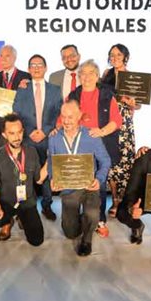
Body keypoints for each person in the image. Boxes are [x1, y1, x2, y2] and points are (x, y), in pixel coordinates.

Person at [48, 100, 111, 256]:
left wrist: (99, 179)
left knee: (92, 213)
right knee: (70, 233)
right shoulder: (54, 138)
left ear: (79, 116)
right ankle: (83, 221)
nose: (66, 121)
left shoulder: (91, 136)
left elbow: (105, 161)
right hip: (68, 189)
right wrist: (53, 178)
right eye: (63, 116)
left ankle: (87, 239)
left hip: (89, 186)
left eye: (70, 117)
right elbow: (51, 162)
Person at [67, 60, 121, 237]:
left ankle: (99, 219)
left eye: (91, 73)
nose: (87, 76)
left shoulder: (107, 95)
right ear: (79, 76)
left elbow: (116, 121)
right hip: (78, 146)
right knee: (78, 184)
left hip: (101, 145)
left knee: (99, 184)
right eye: (83, 73)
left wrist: (101, 131)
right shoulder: (73, 96)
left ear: (97, 76)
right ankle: (80, 216)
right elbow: (65, 118)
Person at [13, 54, 63, 221]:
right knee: (25, 173)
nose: (36, 68)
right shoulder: (22, 89)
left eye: (40, 65)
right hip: (27, 138)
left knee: (47, 172)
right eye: (33, 65)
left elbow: (59, 114)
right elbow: (16, 112)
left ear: (46, 68)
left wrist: (45, 131)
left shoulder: (55, 90)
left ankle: (47, 205)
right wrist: (28, 131)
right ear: (28, 69)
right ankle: (27, 207)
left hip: (48, 138)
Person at [0, 114, 45, 245]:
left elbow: (39, 180)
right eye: (12, 133)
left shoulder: (31, 151)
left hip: (27, 202)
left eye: (19, 132)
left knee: (37, 240)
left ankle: (22, 217)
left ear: (23, 131)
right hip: (6, 203)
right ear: (4, 135)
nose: (17, 137)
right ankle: (8, 222)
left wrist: (50, 161)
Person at [100, 44, 139, 218]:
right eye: (112, 54)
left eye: (118, 54)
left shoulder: (133, 77)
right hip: (107, 122)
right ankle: (114, 199)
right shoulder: (106, 74)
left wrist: (132, 104)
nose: (114, 57)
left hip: (124, 124)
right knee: (110, 162)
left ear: (125, 56)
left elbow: (138, 105)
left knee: (125, 162)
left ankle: (123, 200)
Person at [0, 45, 31, 147]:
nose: (3, 59)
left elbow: (29, 102)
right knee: (3, 156)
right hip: (2, 129)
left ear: (15, 57)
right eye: (1, 56)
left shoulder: (26, 76)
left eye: (7, 56)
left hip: (19, 127)